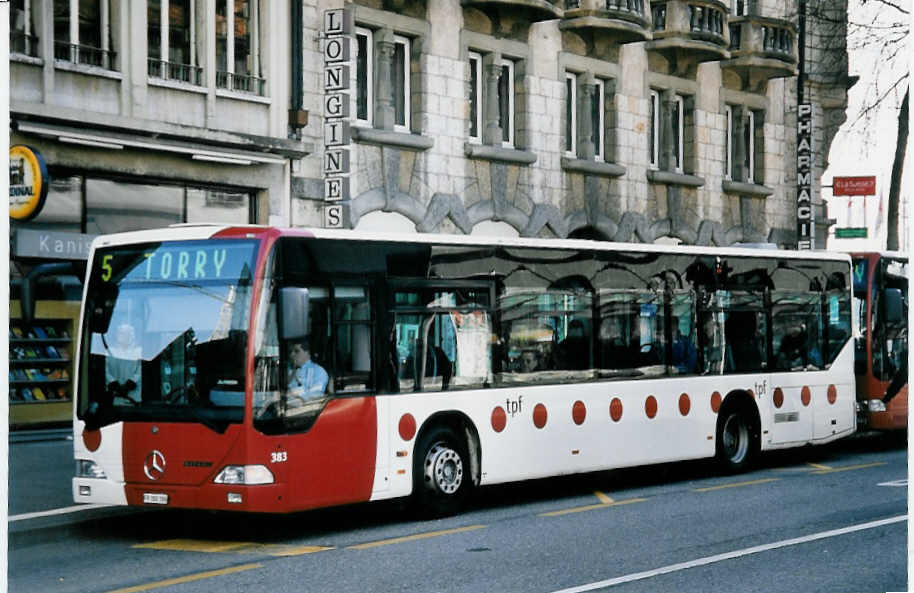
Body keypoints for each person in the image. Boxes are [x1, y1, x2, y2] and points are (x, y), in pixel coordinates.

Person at [106, 323, 142, 402]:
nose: (123, 336)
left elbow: (140, 371)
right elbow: (105, 370)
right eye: (121, 333)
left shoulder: (138, 352)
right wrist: (114, 383)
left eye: (127, 333)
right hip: (115, 398)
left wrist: (128, 385)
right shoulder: (109, 351)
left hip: (134, 397)